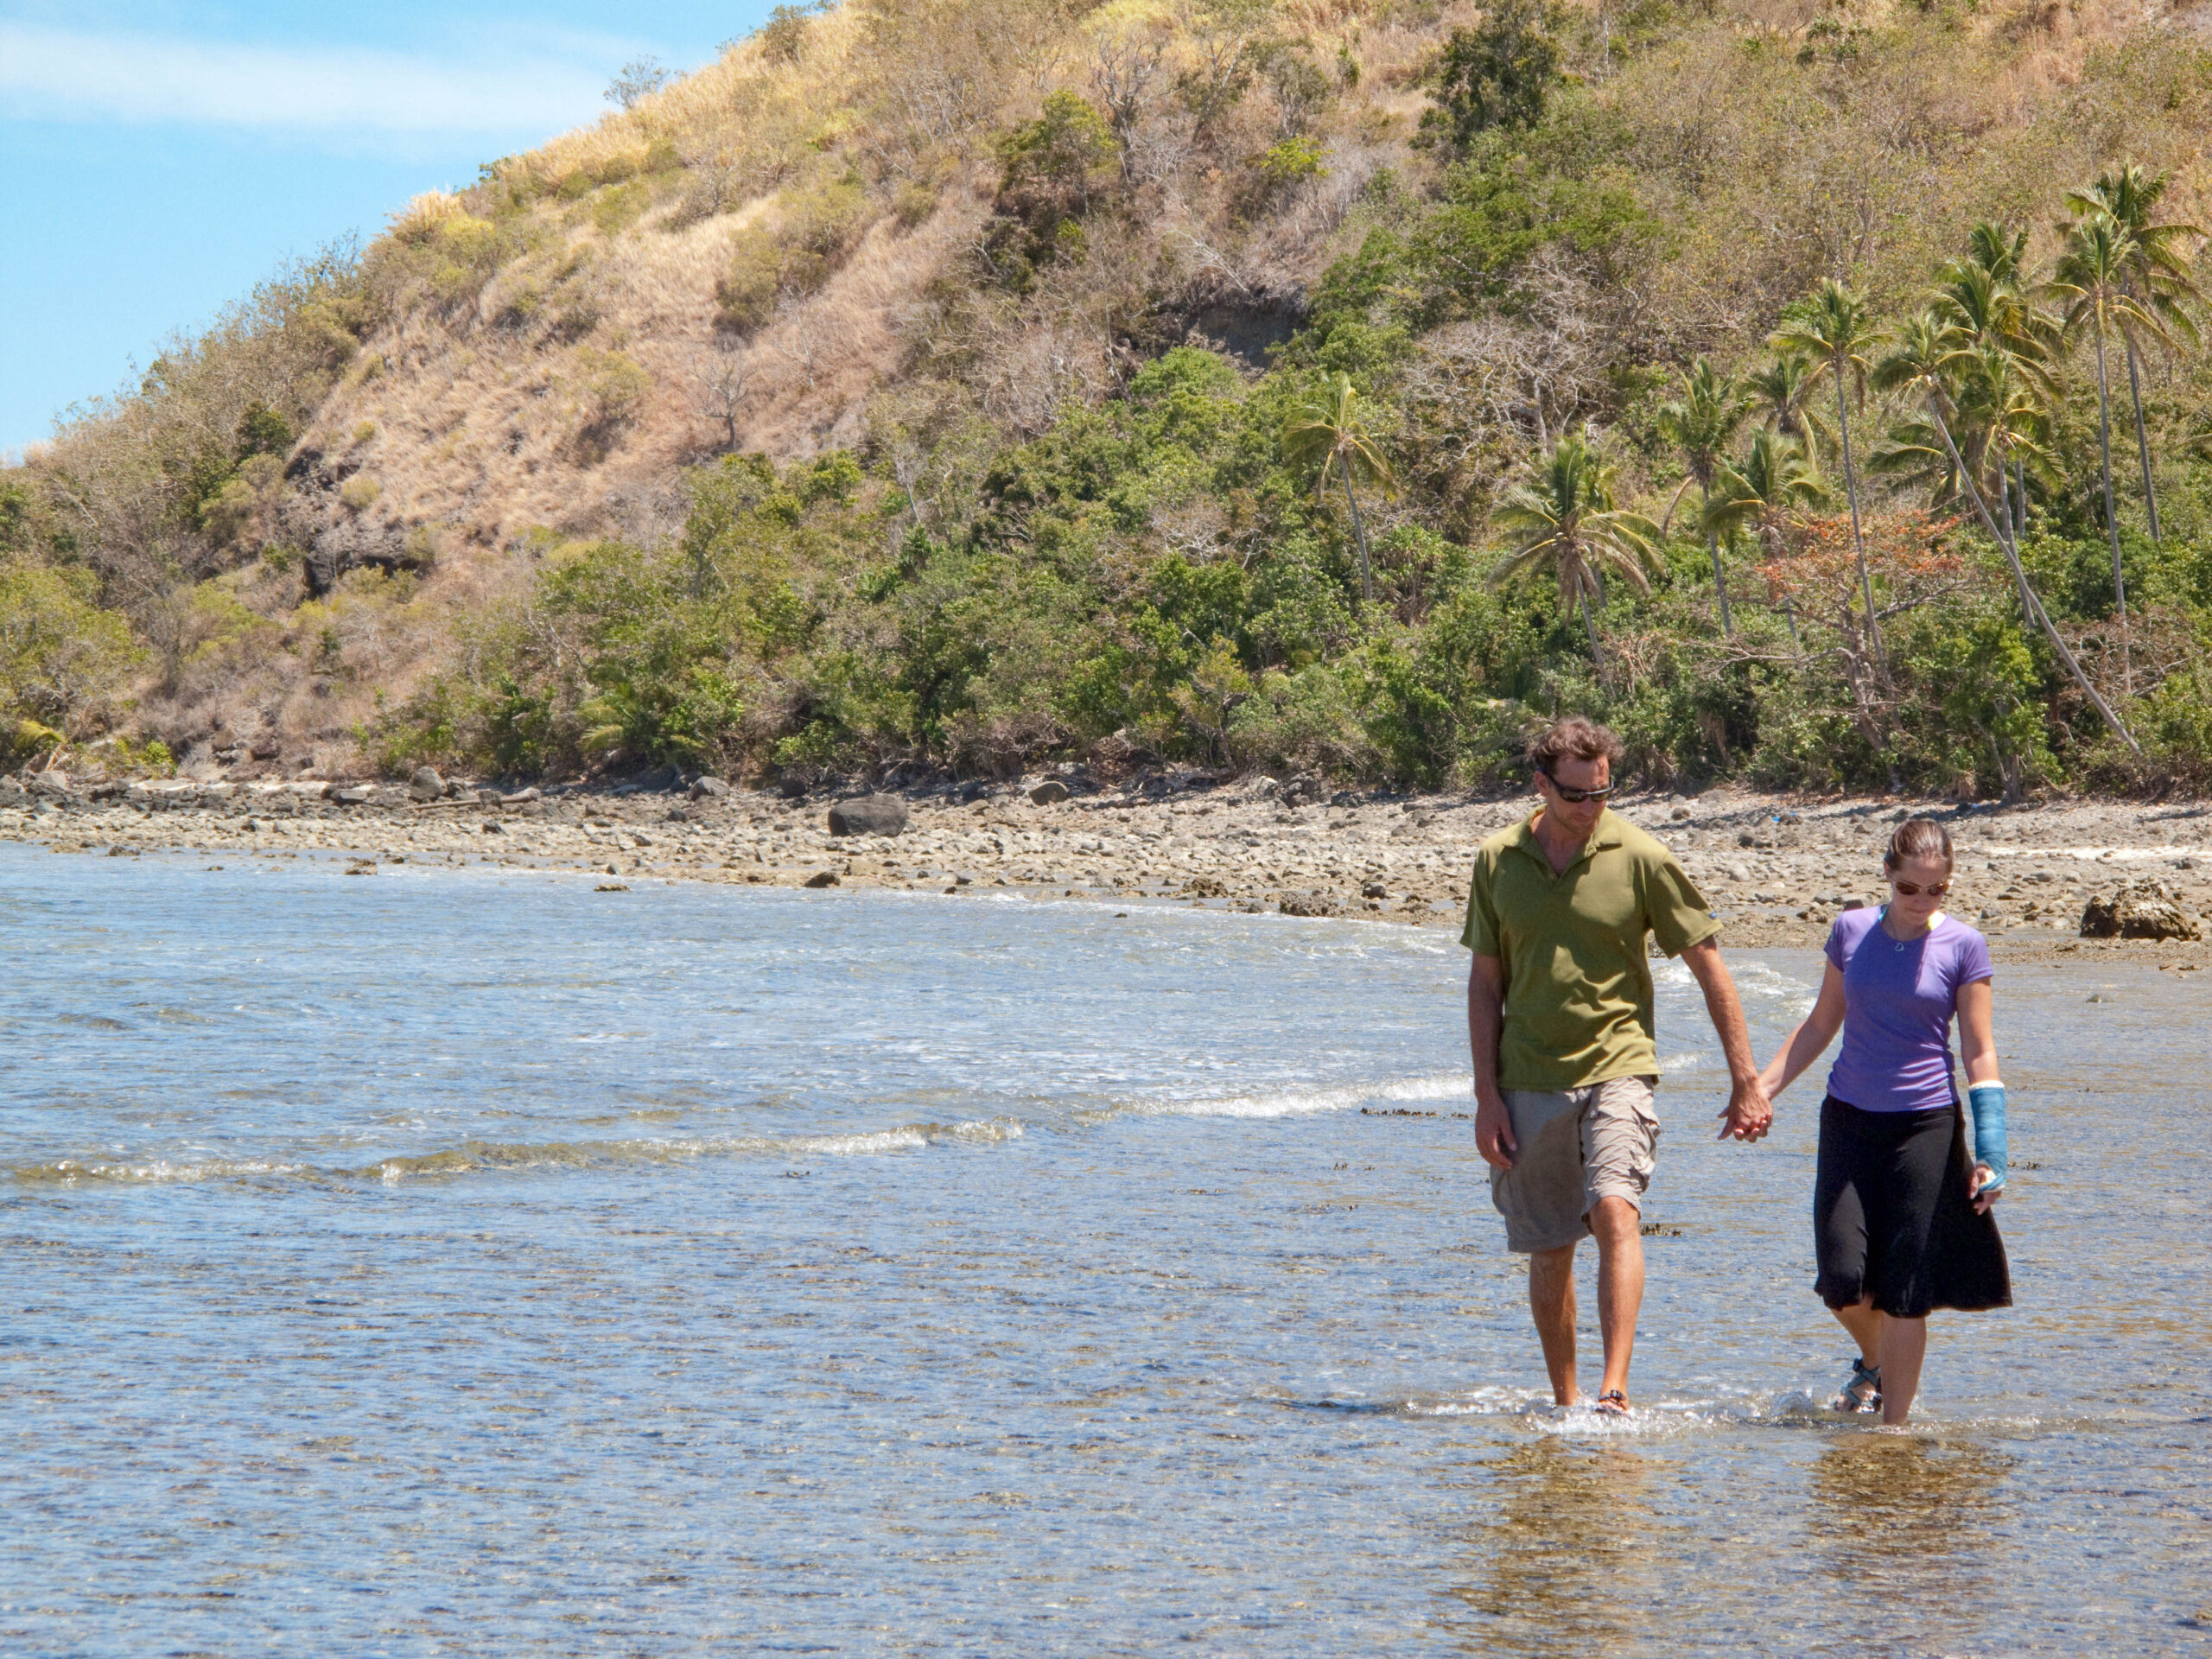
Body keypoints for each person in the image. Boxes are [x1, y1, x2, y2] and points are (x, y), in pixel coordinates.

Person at [1465, 717, 1772, 1415]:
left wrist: (1745, 1079)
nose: (1590, 807)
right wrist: (1486, 1097)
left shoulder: (1641, 856)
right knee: (1551, 1248)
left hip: (1619, 1063)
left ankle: (1614, 1389)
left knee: (1615, 1210)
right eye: (1576, 795)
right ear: (1542, 785)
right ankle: (1566, 1401)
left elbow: (1709, 965)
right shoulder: (1497, 860)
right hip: (1527, 1075)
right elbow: (1485, 985)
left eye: (1602, 793)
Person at [1757, 817, 2011, 1426]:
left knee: (1905, 1290)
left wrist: (1992, 1147)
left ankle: (1892, 1431)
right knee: (1840, 1279)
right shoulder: (1850, 930)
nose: (1922, 901)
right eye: (1909, 889)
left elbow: (1979, 1050)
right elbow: (1821, 1023)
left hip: (1925, 1126)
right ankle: (1875, 1361)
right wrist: (1758, 1092)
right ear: (1888, 876)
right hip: (1848, 1120)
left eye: (1937, 890)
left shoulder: (1965, 946)